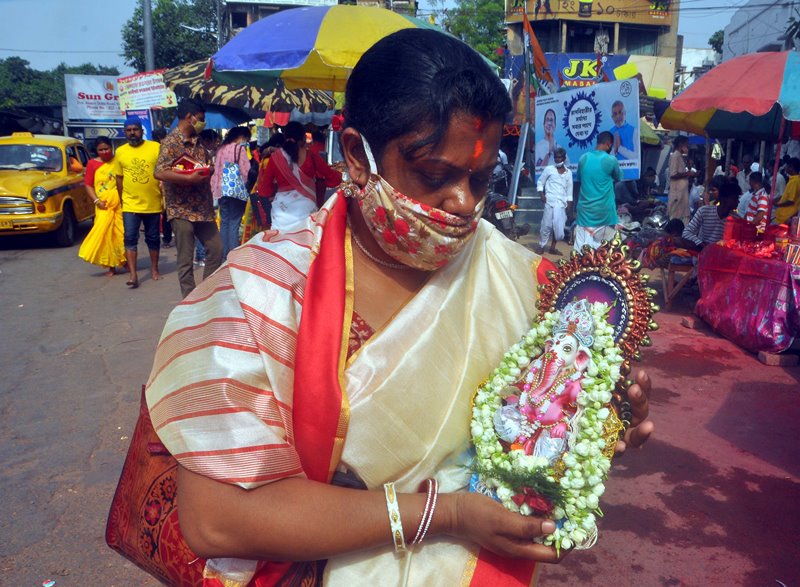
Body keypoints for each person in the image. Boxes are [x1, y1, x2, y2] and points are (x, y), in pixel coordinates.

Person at [145, 29, 653, 587]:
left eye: (481, 178)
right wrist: (445, 515)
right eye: (434, 175)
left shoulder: (522, 281)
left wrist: (591, 427)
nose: (463, 202)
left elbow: (535, 433)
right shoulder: (260, 294)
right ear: (356, 156)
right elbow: (216, 520)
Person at [154, 98, 223, 298]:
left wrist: (208, 170)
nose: (202, 123)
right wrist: (187, 178)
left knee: (216, 250)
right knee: (185, 259)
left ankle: (205, 294)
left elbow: (207, 164)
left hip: (203, 208)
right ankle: (189, 301)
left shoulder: (199, 142)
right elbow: (159, 172)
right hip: (180, 208)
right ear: (189, 117)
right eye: (200, 118)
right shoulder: (171, 142)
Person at [256, 120, 342, 231]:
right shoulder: (311, 156)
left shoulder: (275, 158)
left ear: (285, 137)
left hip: (281, 212)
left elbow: (265, 190)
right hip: (306, 211)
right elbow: (334, 179)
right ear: (303, 138)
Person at [113, 116, 163, 289]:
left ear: (142, 131)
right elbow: (119, 178)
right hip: (130, 203)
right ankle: (133, 275)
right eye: (128, 130)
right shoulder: (120, 152)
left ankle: (154, 269)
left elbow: (163, 171)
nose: (132, 133)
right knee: (130, 237)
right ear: (124, 132)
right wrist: (122, 199)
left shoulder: (155, 147)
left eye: (135, 129)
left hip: (152, 202)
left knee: (153, 238)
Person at [78, 137, 125, 275]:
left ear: (111, 147)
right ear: (96, 151)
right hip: (103, 205)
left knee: (122, 234)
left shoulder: (118, 161)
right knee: (106, 235)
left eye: (106, 148)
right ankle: (111, 265)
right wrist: (97, 201)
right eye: (101, 150)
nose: (104, 152)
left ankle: (125, 260)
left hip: (120, 204)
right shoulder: (92, 164)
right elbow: (88, 185)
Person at [574, 131, 623, 251]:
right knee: (605, 252)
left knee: (580, 253)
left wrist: (574, 208)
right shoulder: (611, 160)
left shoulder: (583, 158)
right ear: (608, 144)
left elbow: (578, 182)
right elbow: (619, 178)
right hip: (605, 213)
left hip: (585, 213)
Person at [211, 126, 251, 259]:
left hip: (221, 189)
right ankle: (233, 256)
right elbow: (246, 171)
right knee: (234, 223)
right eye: (247, 139)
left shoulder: (221, 149)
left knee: (224, 222)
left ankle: (224, 256)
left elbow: (216, 170)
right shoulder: (239, 149)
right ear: (242, 136)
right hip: (235, 191)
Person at [682, 179, 740, 249]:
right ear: (724, 199)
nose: (738, 201)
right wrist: (701, 244)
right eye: (735, 198)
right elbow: (686, 233)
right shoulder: (704, 211)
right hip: (701, 251)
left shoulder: (736, 219)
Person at [536, 147, 573, 255]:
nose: (557, 159)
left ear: (564, 158)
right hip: (549, 202)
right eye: (556, 157)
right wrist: (542, 195)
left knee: (558, 228)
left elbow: (569, 191)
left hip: (561, 204)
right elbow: (540, 182)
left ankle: (552, 248)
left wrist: (569, 206)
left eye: (559, 157)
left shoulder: (568, 173)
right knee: (546, 226)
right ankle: (541, 246)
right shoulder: (549, 169)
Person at [152, 128, 173, 249]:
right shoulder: (164, 148)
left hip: (153, 184)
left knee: (157, 213)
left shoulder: (150, 149)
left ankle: (162, 238)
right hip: (164, 183)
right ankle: (166, 239)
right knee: (166, 213)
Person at [667, 136, 694, 224]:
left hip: (682, 194)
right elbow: (673, 174)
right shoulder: (675, 156)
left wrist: (689, 168)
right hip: (677, 194)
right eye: (686, 144)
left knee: (684, 218)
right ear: (681, 144)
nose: (688, 146)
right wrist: (688, 174)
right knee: (675, 219)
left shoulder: (680, 156)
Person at [774, 157, 800, 224]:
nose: (785, 168)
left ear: (791, 167)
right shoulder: (794, 180)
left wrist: (777, 204)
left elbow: (791, 200)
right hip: (783, 216)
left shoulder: (794, 181)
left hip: (785, 217)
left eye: (787, 166)